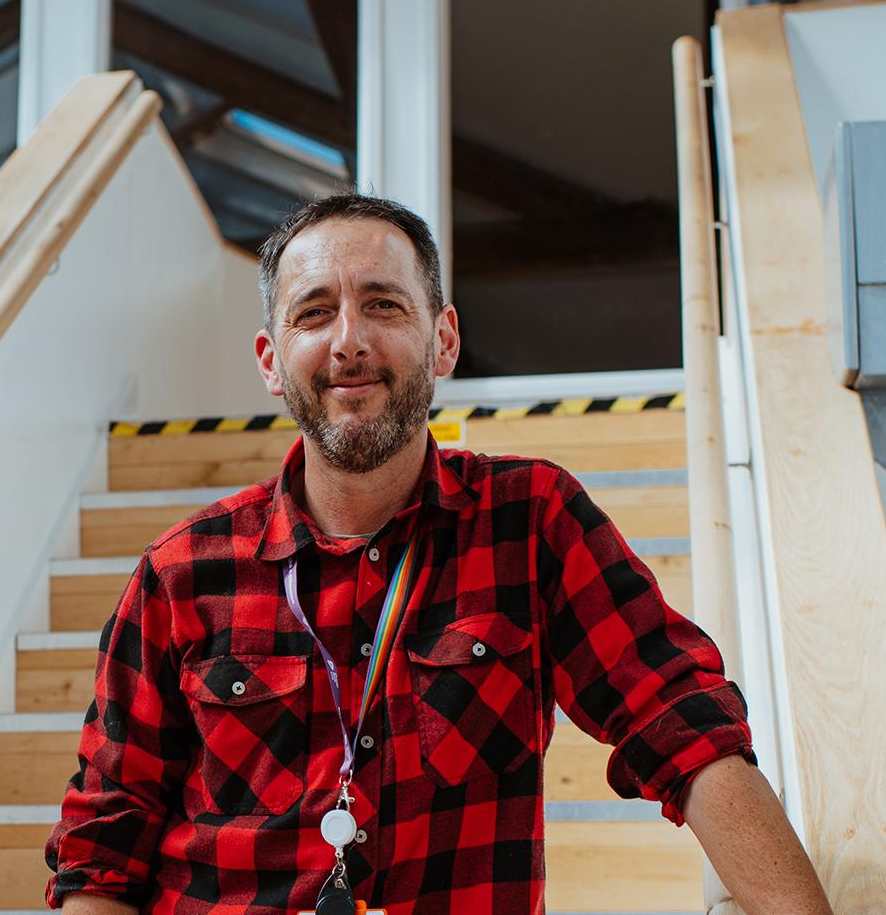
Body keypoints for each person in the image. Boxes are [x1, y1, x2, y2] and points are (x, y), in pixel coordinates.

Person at [42, 194, 833, 915]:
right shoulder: (182, 572)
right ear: (271, 361)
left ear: (444, 338)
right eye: (314, 313)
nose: (348, 341)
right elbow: (103, 850)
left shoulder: (532, 521)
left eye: (382, 304)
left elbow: (680, 724)